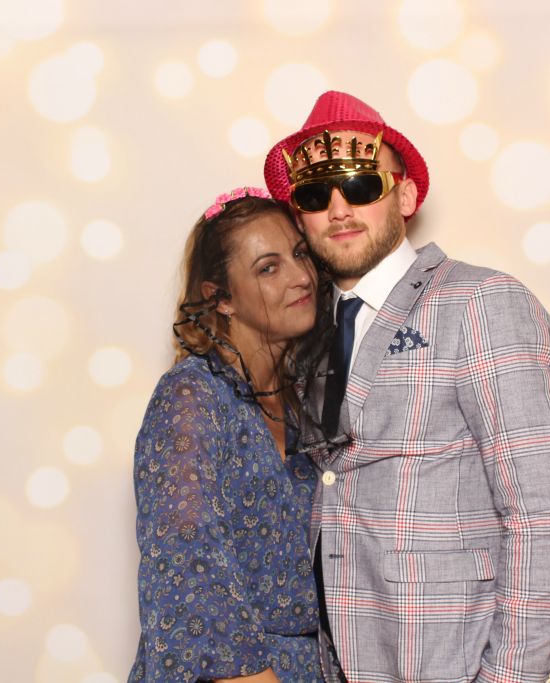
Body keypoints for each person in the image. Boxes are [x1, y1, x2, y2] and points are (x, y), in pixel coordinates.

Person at [263, 92, 550, 683]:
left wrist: (508, 677)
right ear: (299, 218)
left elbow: (544, 513)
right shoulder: (308, 334)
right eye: (315, 195)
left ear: (407, 196)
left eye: (361, 185)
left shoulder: (479, 302)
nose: (338, 209)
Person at [128, 188, 327, 683]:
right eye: (268, 268)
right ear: (222, 299)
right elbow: (185, 561)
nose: (302, 276)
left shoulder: (304, 402)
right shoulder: (191, 397)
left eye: (300, 254)